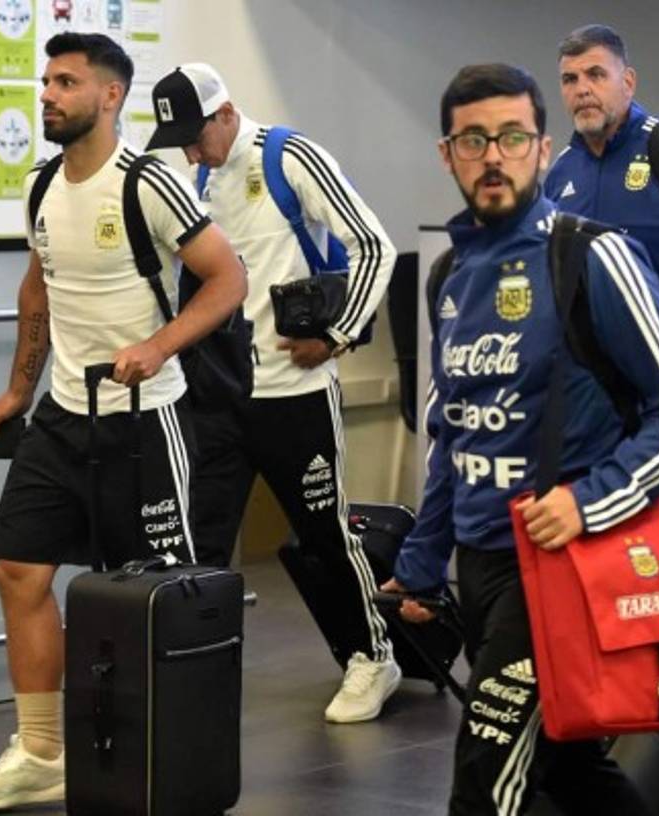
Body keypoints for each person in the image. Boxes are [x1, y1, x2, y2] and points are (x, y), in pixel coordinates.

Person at [384, 62, 659, 816]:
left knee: (485, 779)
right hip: (481, 563)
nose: (492, 156)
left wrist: (587, 503)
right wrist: (424, 561)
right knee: (566, 767)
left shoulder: (595, 257)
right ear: (448, 154)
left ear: (541, 146)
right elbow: (453, 433)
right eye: (473, 140)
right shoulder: (450, 275)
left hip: (566, 569)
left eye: (511, 137)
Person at [0, 33, 246, 810]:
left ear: (110, 97)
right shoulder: (42, 184)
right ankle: (44, 752)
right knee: (18, 569)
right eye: (46, 80)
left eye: (66, 82)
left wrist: (158, 343)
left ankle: (168, 763)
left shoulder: (148, 184)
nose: (47, 93)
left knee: (155, 595)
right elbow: (37, 289)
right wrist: (19, 388)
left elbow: (227, 279)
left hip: (145, 421)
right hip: (61, 420)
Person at [145, 63, 401, 724]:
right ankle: (188, 672)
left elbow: (374, 245)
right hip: (220, 399)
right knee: (200, 540)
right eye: (180, 141)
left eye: (197, 134)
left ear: (226, 113)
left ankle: (373, 659)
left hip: (297, 392)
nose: (191, 151)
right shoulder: (195, 179)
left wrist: (340, 336)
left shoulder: (290, 156)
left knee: (323, 536)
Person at [542, 24, 659, 314]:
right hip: (588, 356)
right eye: (570, 79)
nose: (582, 90)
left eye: (596, 74)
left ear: (628, 83)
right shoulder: (559, 174)